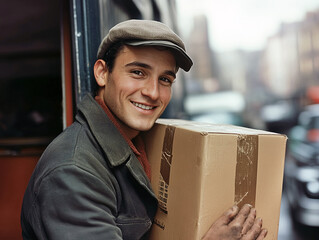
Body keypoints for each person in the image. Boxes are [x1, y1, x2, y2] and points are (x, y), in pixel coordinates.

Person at [21, 19, 268, 240]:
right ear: (102, 73)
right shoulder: (72, 171)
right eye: (138, 72)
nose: (152, 93)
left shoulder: (141, 142)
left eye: (165, 80)